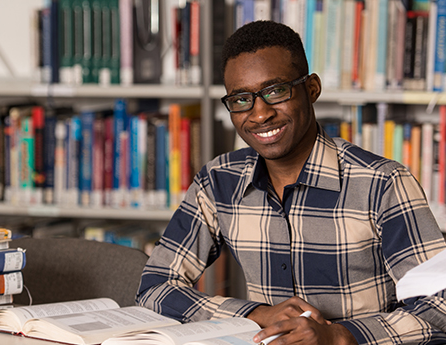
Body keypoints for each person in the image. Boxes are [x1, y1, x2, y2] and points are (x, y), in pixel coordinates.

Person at [137, 20, 446, 344]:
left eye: (275, 91)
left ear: (311, 88)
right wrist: (255, 314)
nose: (259, 114)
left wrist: (339, 336)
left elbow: (439, 305)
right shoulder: (218, 182)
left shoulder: (382, 184)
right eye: (241, 99)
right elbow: (156, 286)